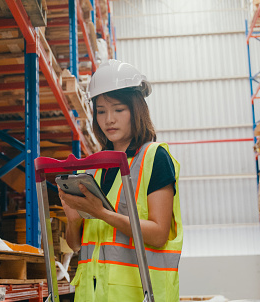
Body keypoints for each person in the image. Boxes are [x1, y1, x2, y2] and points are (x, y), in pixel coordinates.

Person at [59, 60, 183, 301]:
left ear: (136, 110)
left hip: (138, 294)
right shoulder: (94, 170)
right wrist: (73, 220)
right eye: (101, 111)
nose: (109, 120)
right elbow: (76, 246)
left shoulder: (153, 157)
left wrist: (101, 212)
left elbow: (159, 234)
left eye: (118, 109)